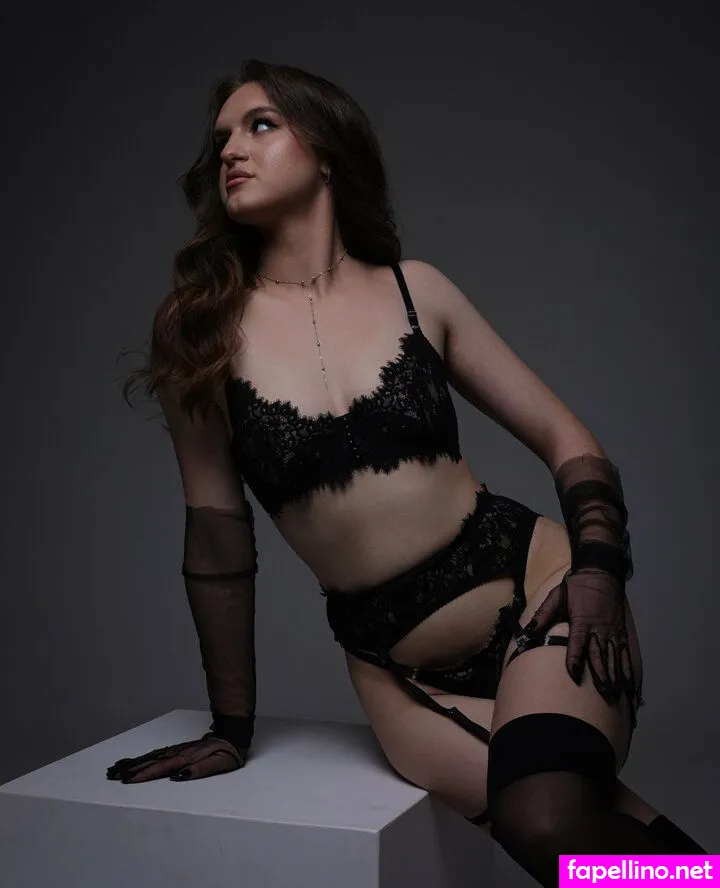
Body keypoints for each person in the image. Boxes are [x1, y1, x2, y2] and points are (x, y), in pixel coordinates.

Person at [110, 60, 707, 884]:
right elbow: (217, 533)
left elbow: (565, 435)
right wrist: (230, 727)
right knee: (583, 835)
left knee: (547, 817)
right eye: (221, 139)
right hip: (399, 672)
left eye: (260, 126)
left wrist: (600, 568)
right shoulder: (200, 329)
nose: (230, 152)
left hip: (541, 594)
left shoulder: (417, 290)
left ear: (325, 151)